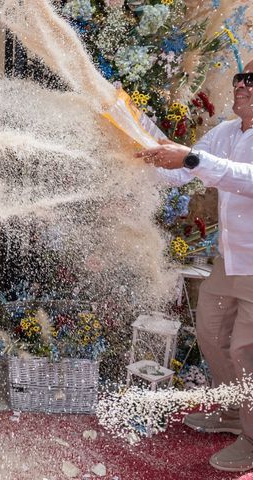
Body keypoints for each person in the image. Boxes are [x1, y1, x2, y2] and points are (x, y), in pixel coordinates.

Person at [136, 60, 253, 473]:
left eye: (251, 80)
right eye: (241, 77)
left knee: (246, 349)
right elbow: (182, 171)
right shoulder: (225, 132)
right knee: (211, 333)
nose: (242, 85)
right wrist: (134, 127)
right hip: (231, 260)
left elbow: (245, 177)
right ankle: (232, 411)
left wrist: (190, 161)